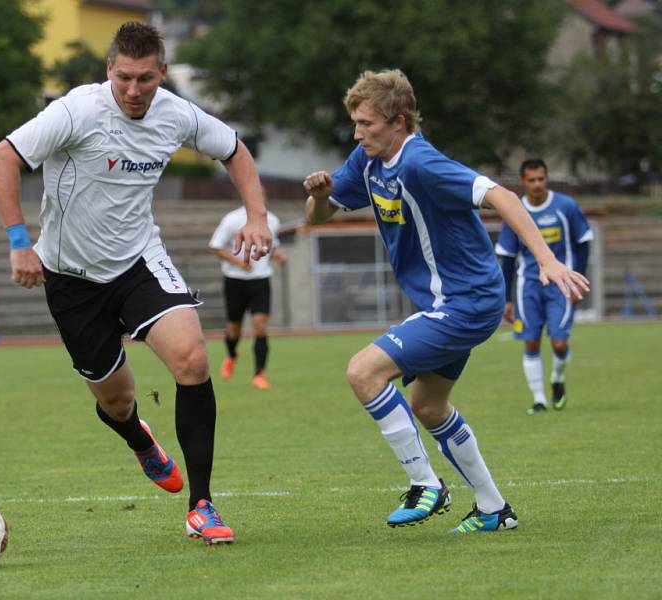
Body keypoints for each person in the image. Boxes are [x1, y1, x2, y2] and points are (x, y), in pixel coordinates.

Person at [0, 22, 272, 545]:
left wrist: (257, 215)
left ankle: (201, 506)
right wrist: (19, 242)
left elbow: (235, 151)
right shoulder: (76, 111)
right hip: (69, 276)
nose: (134, 91)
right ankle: (141, 440)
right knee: (117, 402)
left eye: (145, 79)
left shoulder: (177, 113)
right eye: (124, 79)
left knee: (192, 359)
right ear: (108, 72)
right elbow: (0, 158)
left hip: (139, 262)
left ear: (163, 73)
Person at [303, 69, 589, 534]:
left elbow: (502, 196)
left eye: (367, 124)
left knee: (363, 371)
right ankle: (494, 508)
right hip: (448, 302)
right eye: (354, 123)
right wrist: (321, 197)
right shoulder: (368, 159)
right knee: (429, 408)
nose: (357, 133)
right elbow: (318, 218)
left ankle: (426, 484)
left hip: (467, 301)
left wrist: (547, 260)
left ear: (398, 122)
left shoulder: (421, 163)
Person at [496, 158, 593, 415]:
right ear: (523, 182)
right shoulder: (515, 211)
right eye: (532, 180)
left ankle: (557, 380)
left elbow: (583, 242)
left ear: (546, 179)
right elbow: (506, 256)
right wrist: (506, 298)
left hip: (560, 286)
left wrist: (577, 281)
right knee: (531, 342)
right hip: (528, 287)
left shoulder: (566, 206)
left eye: (541, 179)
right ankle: (538, 400)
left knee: (559, 343)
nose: (537, 184)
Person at [209, 207, 286, 389]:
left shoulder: (272, 219)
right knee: (234, 329)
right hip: (235, 281)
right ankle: (232, 355)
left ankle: (259, 375)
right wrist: (239, 263)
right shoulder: (232, 218)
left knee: (260, 326)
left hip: (260, 281)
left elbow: (270, 246)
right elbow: (215, 247)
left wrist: (277, 256)